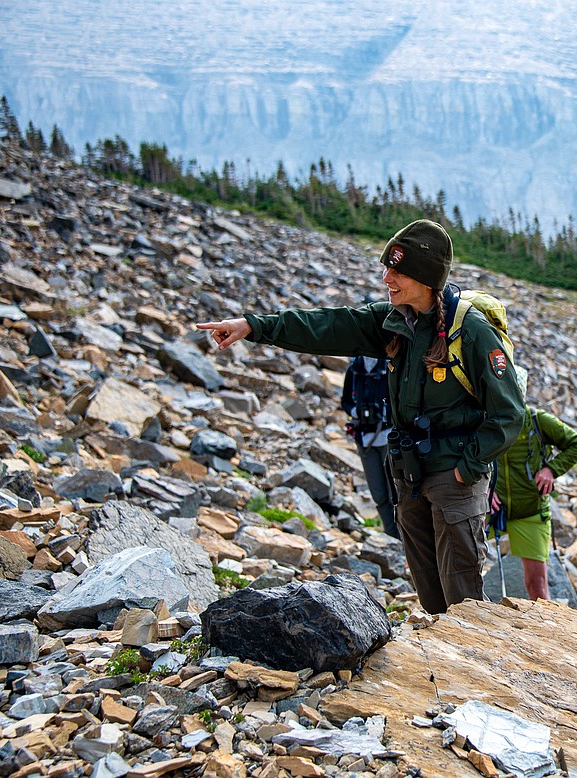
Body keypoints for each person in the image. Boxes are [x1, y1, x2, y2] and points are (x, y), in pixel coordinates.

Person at [197, 219, 525, 614]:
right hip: (410, 476)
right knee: (432, 599)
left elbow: (509, 414)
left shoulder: (471, 332)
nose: (386, 277)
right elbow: (326, 325)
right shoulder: (390, 320)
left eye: (397, 271)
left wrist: (467, 467)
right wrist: (253, 326)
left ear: (425, 278)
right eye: (386, 267)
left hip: (454, 480)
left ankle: (475, 672)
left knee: (464, 601)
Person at [489, 371, 577, 600]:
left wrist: (551, 470)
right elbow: (472, 453)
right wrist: (483, 486)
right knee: (463, 571)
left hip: (530, 510)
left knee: (538, 588)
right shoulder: (486, 420)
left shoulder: (536, 420)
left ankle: (544, 632)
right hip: (490, 508)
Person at [340, 355, 398, 538]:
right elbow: (346, 401)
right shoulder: (354, 369)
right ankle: (392, 537)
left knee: (394, 494)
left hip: (388, 436)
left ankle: (406, 539)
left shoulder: (388, 368)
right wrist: (356, 411)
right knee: (379, 495)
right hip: (365, 438)